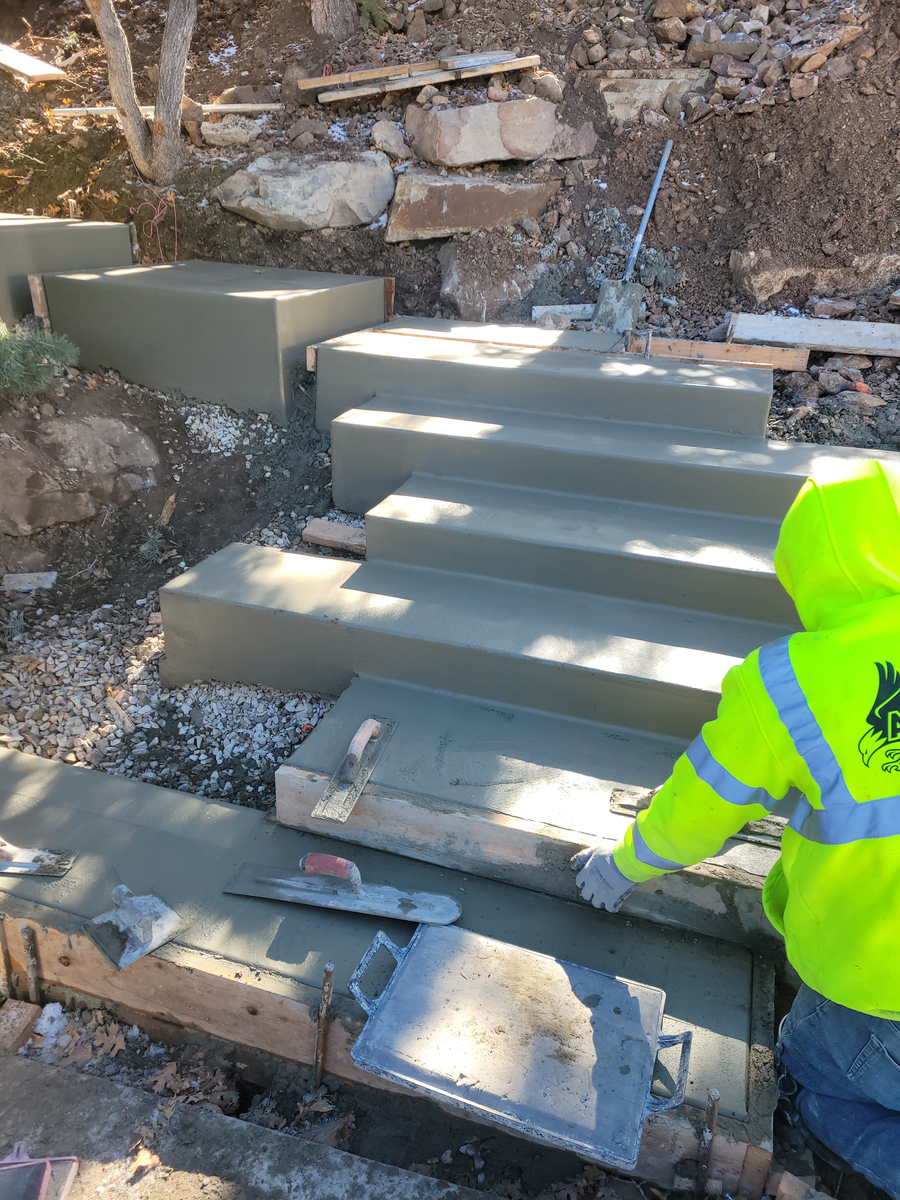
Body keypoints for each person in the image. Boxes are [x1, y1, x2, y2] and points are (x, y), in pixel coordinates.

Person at [573, 459, 900, 1197]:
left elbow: (698, 812)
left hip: (880, 993)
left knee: (816, 1077)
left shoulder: (789, 684)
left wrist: (624, 865)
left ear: (807, 568)